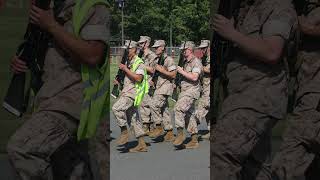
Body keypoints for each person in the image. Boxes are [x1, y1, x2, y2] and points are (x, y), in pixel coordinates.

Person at [6, 0, 110, 179]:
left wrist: (52, 26)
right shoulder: (49, 8)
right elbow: (40, 49)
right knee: (71, 172)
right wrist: (23, 60)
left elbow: (93, 55)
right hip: (48, 98)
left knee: (22, 148)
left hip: (72, 101)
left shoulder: (93, 7)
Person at [210, 0, 297, 179]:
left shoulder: (277, 5)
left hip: (259, 96)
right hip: (239, 94)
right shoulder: (243, 8)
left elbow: (272, 51)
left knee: (220, 152)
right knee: (255, 168)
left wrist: (231, 33)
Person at [271, 1, 320, 179]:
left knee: (290, 156)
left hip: (314, 95)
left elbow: (308, 29)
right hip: (305, 87)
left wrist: (299, 22)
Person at [112, 40, 149, 153]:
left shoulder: (139, 62)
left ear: (134, 49)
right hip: (127, 91)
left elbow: (138, 78)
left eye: (128, 49)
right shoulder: (128, 61)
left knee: (116, 108)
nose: (126, 51)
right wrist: (118, 81)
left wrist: (125, 69)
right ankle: (142, 144)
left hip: (132, 93)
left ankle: (124, 132)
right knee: (133, 119)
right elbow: (126, 77)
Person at [172, 41, 203, 149]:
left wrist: (181, 71)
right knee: (189, 115)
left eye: (184, 50)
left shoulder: (196, 62)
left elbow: (194, 77)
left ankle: (180, 134)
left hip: (192, 91)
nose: (182, 52)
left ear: (190, 50)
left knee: (178, 109)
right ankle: (194, 140)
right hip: (184, 91)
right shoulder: (185, 62)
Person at [148, 40, 176, 142]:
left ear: (163, 47)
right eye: (154, 47)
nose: (155, 49)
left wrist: (162, 70)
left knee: (153, 105)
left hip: (165, 87)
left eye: (157, 47)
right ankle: (169, 132)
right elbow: (155, 73)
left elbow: (173, 74)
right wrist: (152, 81)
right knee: (164, 110)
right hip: (158, 87)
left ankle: (158, 127)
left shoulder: (168, 59)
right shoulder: (157, 59)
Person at [137, 36, 158, 135]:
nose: (140, 45)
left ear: (147, 43)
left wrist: (140, 65)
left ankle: (155, 126)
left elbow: (153, 70)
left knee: (151, 104)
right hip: (142, 83)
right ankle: (146, 126)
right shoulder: (140, 55)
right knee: (143, 104)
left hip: (150, 83)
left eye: (142, 43)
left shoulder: (152, 55)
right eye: (139, 43)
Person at [195, 40, 211, 139]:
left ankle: (193, 124)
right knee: (208, 110)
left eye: (204, 48)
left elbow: (209, 70)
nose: (203, 50)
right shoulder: (204, 58)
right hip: (205, 86)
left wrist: (199, 66)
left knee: (203, 105)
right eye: (201, 48)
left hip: (210, 86)